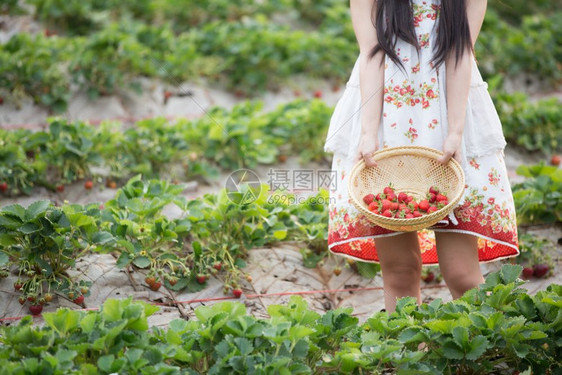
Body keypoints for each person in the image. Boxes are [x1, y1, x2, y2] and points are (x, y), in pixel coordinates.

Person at [323, 0, 519, 313]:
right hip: (386, 116)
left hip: (449, 113)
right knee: (401, 269)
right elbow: (371, 53)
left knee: (461, 273)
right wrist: (369, 133)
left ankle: (484, 352)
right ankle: (407, 355)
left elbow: (461, 52)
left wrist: (455, 131)